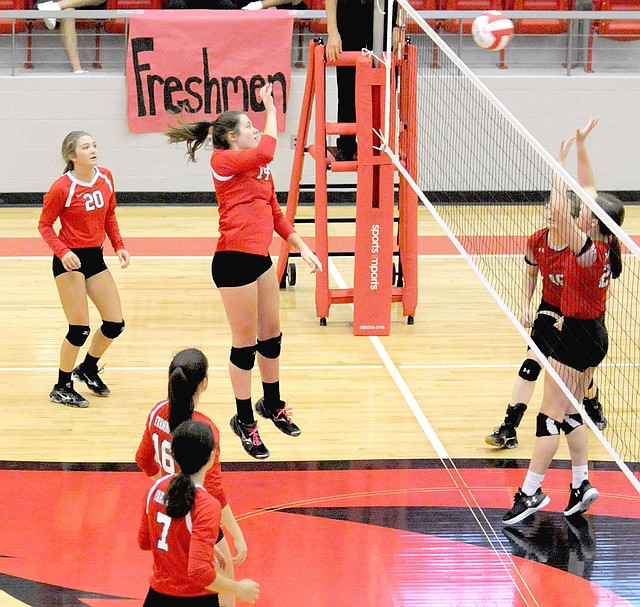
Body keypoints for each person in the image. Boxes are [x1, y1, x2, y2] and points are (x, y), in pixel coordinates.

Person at [165, 83, 322, 459]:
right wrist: (270, 106)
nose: (255, 130)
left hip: (260, 259)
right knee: (245, 346)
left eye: (256, 125)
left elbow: (275, 215)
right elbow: (266, 146)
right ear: (232, 137)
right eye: (248, 126)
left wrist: (301, 246)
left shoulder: (261, 170)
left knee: (272, 338)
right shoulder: (222, 160)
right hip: (233, 260)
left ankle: (272, 404)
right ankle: (244, 421)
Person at [503, 117, 625, 525]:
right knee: (572, 413)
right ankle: (580, 483)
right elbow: (588, 190)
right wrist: (581, 145)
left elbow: (559, 207)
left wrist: (556, 161)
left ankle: (531, 492)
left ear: (594, 224)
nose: (583, 210)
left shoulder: (588, 252)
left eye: (589, 212)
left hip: (576, 339)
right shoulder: (605, 248)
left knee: (548, 416)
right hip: (592, 333)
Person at [486, 135, 607, 450]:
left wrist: (566, 159)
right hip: (549, 309)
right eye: (550, 211)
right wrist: (525, 306)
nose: (552, 214)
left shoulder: (580, 246)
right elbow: (530, 274)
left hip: (578, 319)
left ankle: (592, 400)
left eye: (558, 211)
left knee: (582, 378)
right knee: (531, 363)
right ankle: (508, 427)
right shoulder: (538, 240)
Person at [136, 348, 247, 607]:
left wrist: (164, 484)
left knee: (170, 571)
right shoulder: (202, 430)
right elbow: (215, 490)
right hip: (194, 508)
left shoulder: (157, 413)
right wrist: (237, 534)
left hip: (166, 506)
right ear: (203, 383)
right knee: (223, 570)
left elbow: (143, 459)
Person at [38, 131, 129, 408]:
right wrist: (63, 252)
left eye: (94, 145)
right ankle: (61, 385)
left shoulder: (106, 178)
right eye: (85, 146)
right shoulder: (62, 187)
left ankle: (88, 368)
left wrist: (119, 245)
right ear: (71, 156)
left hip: (94, 258)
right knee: (79, 329)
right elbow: (44, 226)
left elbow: (110, 214)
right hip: (70, 261)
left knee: (115, 324)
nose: (92, 150)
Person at [138, 419, 261, 606]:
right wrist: (238, 588)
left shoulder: (156, 489)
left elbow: (145, 541)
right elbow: (199, 572)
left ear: (174, 455)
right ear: (211, 457)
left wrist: (195, 547)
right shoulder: (207, 505)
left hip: (156, 597)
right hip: (194, 599)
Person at [36, 0, 106, 73]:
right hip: (48, 2)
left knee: (68, 11)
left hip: (78, 5)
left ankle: (55, 7)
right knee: (68, 12)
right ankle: (77, 68)